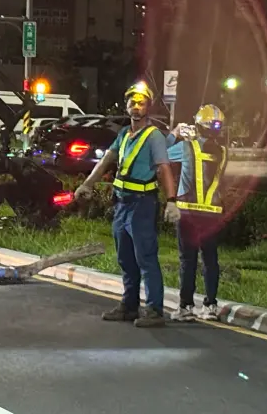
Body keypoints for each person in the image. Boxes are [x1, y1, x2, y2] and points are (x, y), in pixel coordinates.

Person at [74, 81, 179, 327]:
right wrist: (87, 184)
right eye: (133, 102)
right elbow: (107, 160)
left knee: (146, 257)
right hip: (122, 204)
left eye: (141, 103)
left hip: (143, 204)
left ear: (148, 108)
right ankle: (129, 306)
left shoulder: (154, 137)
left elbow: (164, 169)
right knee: (125, 258)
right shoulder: (124, 134)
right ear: (127, 105)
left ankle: (154, 310)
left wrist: (172, 201)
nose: (136, 107)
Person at [167, 105, 228, 322]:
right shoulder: (223, 152)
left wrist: (174, 134)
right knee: (211, 259)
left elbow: (162, 155)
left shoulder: (186, 147)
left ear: (198, 127)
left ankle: (186, 307)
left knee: (188, 260)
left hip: (188, 212)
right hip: (213, 213)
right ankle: (210, 306)